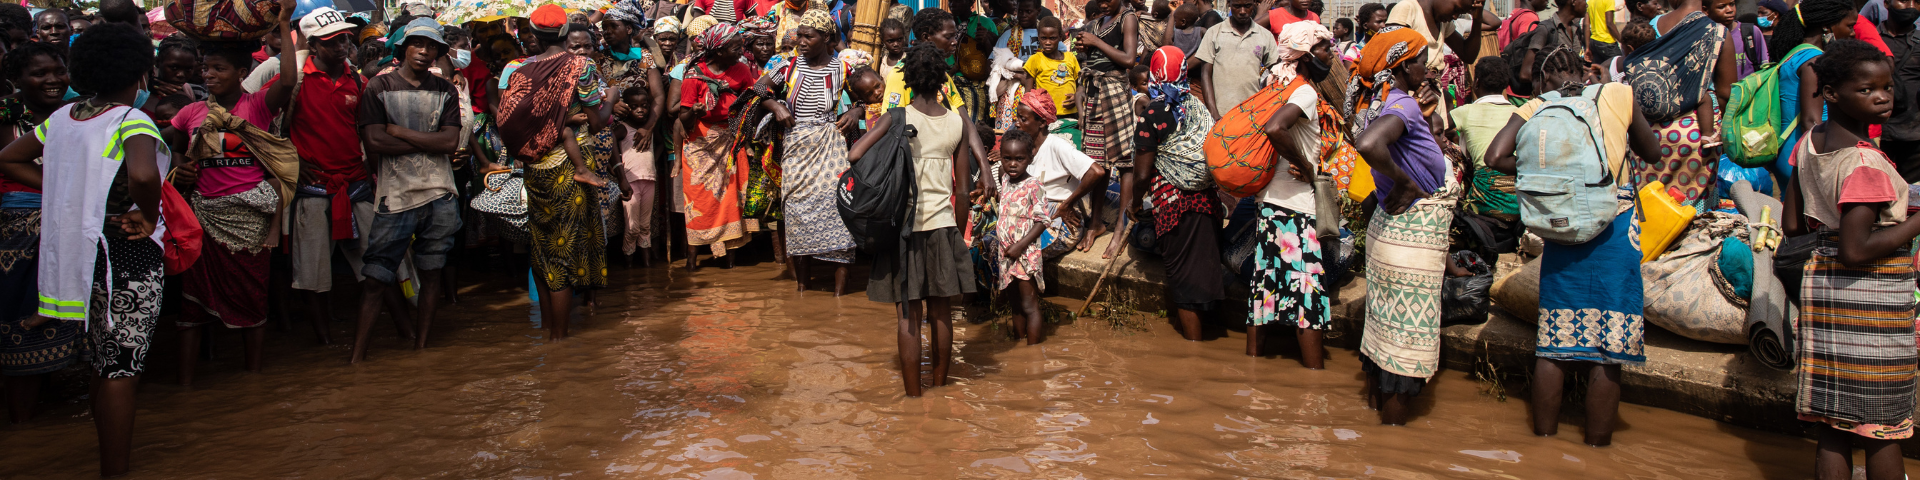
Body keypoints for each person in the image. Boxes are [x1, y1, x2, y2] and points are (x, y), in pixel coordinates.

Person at [0, 23, 164, 477]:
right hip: (125, 253)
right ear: (141, 74)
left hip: (80, 255)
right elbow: (145, 176)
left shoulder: (63, 117)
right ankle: (114, 472)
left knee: (102, 359)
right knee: (121, 368)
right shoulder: (131, 119)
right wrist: (147, 214)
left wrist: (68, 191)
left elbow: (9, 158)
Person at [1487, 44, 1663, 447]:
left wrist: (1544, 170)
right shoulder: (1618, 93)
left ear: (1545, 78)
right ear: (1584, 71)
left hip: (1560, 229)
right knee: (1608, 349)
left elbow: (1495, 156)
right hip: (1613, 229)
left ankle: (1541, 446)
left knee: (1554, 345)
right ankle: (1597, 450)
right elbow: (1651, 152)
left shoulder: (1536, 106)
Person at [1779, 39, 1917, 480]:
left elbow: (1795, 225)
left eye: (1887, 87)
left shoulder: (1808, 144)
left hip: (1823, 291)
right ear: (1832, 93)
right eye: (1868, 89)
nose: (1882, 97)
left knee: (1833, 424)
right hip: (1869, 303)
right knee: (1882, 427)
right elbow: (1856, 250)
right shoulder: (1864, 162)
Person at [162, 35, 297, 385]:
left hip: (251, 216)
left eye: (218, 69)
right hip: (202, 214)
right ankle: (186, 384)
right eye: (205, 68)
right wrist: (183, 169)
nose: (208, 75)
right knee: (192, 305)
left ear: (240, 72)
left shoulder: (257, 106)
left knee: (253, 297)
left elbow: (287, 80)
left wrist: (284, 23)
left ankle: (254, 379)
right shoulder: (190, 112)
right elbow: (175, 146)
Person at [849, 43, 979, 398]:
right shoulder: (957, 122)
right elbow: (963, 190)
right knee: (941, 312)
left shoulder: (897, 117)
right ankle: (939, 390)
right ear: (942, 81)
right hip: (944, 226)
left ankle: (913, 398)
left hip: (903, 227)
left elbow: (855, 153)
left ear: (906, 78)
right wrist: (959, 235)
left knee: (908, 315)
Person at [1348, 27, 1454, 426]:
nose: (1427, 71)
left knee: (1383, 338)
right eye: (1422, 63)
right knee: (1404, 350)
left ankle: (1376, 434)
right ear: (1404, 65)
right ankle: (1392, 441)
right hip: (1410, 237)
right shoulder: (1402, 105)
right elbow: (1370, 146)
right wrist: (1408, 182)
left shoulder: (1377, 102)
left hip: (1390, 234)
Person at [267, 7, 388, 347]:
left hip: (356, 185)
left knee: (375, 265)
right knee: (312, 275)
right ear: (314, 45)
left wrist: (372, 169)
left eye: (345, 39)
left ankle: (371, 337)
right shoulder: (293, 80)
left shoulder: (359, 81)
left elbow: (366, 130)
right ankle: (325, 341)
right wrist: (292, 160)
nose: (342, 46)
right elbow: (264, 124)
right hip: (312, 188)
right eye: (333, 41)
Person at [352, 17, 464, 363]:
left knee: (431, 273)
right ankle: (357, 357)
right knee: (375, 277)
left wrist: (399, 133)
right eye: (418, 44)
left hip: (440, 193)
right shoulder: (378, 87)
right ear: (403, 49)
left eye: (431, 46)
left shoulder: (445, 90)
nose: (424, 51)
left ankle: (422, 349)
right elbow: (373, 141)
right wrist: (428, 142)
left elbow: (449, 142)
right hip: (395, 195)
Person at [496, 7, 612, 340]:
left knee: (542, 247)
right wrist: (612, 97)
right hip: (567, 165)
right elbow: (598, 120)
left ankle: (547, 330)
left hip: (535, 168)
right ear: (564, 34)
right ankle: (559, 340)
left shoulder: (522, 69)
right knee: (563, 251)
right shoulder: (581, 66)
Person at [1243, 25, 1331, 365]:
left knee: (1264, 288)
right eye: (1324, 48)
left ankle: (1253, 368)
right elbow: (1275, 128)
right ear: (1306, 53)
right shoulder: (1304, 91)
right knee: (1308, 294)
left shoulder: (1274, 84)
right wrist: (1306, 167)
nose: (1330, 55)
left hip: (1269, 203)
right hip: (1296, 207)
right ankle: (1314, 380)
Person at [757, 11, 862, 295]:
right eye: (799, 35)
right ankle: (803, 287)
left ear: (826, 38)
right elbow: (757, 89)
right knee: (796, 210)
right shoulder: (787, 67)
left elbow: (869, 95)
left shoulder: (844, 69)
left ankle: (840, 292)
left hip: (831, 144)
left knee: (838, 208)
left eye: (808, 36)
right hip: (796, 147)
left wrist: (856, 110)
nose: (800, 41)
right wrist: (776, 106)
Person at [0, 41, 71, 425]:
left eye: (58, 71)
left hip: (66, 227)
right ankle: (23, 426)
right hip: (18, 236)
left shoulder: (74, 114)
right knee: (20, 322)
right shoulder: (6, 114)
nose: (52, 80)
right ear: (16, 79)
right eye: (39, 73)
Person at [1623, 0, 1736, 211]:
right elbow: (1725, 92)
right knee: (1692, 215)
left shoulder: (1651, 25)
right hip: (1696, 134)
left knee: (1650, 207)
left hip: (1647, 134)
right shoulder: (1717, 32)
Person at [676, 22, 754, 270]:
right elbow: (683, 117)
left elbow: (750, 103)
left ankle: (730, 261)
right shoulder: (694, 76)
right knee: (699, 201)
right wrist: (696, 112)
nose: (740, 52)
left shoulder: (741, 70)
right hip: (700, 144)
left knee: (731, 199)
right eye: (734, 48)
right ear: (719, 51)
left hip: (730, 138)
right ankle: (692, 261)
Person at [1012, 90, 1106, 258]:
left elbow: (1096, 172)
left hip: (1061, 219)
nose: (1017, 123)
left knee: (1022, 253)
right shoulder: (1024, 147)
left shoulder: (1056, 145)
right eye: (1017, 118)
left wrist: (1067, 204)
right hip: (1036, 216)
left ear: (1041, 122)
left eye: (1023, 119)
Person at [1768, 0, 1856, 180]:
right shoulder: (1814, 60)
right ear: (1826, 27)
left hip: (1789, 152)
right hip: (1805, 154)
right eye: (1850, 26)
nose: (1853, 33)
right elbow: (1811, 121)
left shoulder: (1795, 54)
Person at [995, 129, 1049, 345]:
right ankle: (1019, 346)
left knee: (1029, 305)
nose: (1013, 164)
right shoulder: (1005, 179)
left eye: (1019, 159)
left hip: (1025, 254)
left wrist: (1020, 245)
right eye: (1007, 159)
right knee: (1015, 304)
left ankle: (1033, 350)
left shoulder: (1034, 185)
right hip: (1006, 254)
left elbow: (1043, 220)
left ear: (1030, 158)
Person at [1076, 0, 1139, 174]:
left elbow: (1129, 60)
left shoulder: (1128, 18)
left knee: (1123, 158)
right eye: (1099, 1)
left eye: (1107, 0)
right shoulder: (1099, 22)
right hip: (1095, 92)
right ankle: (1099, 202)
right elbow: (1097, 57)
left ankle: (1126, 202)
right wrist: (1084, 47)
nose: (1103, 5)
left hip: (1114, 91)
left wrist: (1095, 42)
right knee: (1097, 159)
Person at [1451, 58, 1517, 222]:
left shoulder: (1465, 112)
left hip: (1485, 200)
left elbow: (1437, 128)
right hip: (1519, 199)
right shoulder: (1519, 113)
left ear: (1476, 82)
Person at [1195, 0, 1277, 120]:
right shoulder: (1214, 33)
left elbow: (1276, 70)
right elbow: (1205, 74)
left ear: (1254, 4)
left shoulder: (1264, 35)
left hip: (1253, 114)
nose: (1242, 11)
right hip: (1222, 114)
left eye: (1247, 6)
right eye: (1237, 6)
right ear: (1229, 4)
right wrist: (1214, 113)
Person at [1518, 0, 1587, 92]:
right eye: (1584, 0)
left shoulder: (1576, 31)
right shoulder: (1546, 29)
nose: (1587, 5)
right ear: (1573, 2)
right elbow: (1525, 74)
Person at [1887, 1, 1920, 180]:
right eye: (1903, 0)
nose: (1911, 6)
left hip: (1914, 136)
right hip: (1877, 134)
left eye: (1917, 2)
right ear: (1886, 3)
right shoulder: (1868, 38)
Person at [1023, 17, 1078, 119]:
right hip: (1045, 114)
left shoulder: (1071, 58)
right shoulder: (1035, 59)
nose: (1048, 42)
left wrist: (1076, 97)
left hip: (1070, 113)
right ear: (1038, 38)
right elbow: (1028, 93)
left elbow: (1079, 85)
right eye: (1044, 38)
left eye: (1052, 38)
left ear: (1060, 37)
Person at [150, 35, 210, 106]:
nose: (181, 74)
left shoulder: (198, 93)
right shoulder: (143, 91)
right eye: (174, 68)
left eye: (188, 69)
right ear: (157, 62)